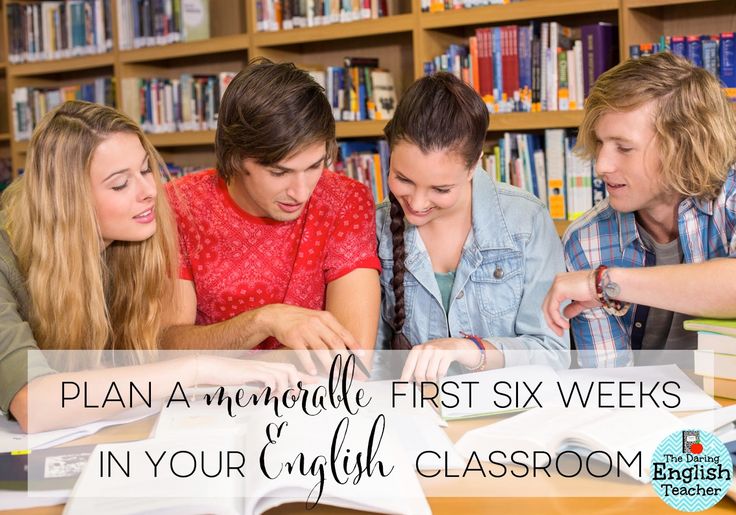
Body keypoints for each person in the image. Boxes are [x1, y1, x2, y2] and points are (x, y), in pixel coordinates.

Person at [1, 101, 303, 433]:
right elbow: (34, 403)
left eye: (145, 170)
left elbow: (132, 369)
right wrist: (196, 370)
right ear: (68, 201)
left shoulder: (129, 240)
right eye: (119, 184)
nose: (149, 192)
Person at [162, 59, 381, 368]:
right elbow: (168, 347)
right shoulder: (178, 205)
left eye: (315, 165)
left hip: (311, 405)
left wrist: (223, 360)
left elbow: (350, 359)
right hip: (208, 409)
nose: (302, 192)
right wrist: (263, 321)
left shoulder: (345, 200)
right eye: (280, 172)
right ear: (235, 157)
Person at [542, 52, 736, 367]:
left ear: (682, 147)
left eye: (624, 148)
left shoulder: (731, 200)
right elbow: (612, 382)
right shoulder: (586, 241)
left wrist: (605, 283)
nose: (602, 165)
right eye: (601, 143)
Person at [375, 72, 570, 381]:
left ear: (475, 163)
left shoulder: (526, 220)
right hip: (416, 414)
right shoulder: (377, 228)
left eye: (440, 190)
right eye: (403, 179)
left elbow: (552, 353)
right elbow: (371, 363)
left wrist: (472, 350)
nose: (418, 203)